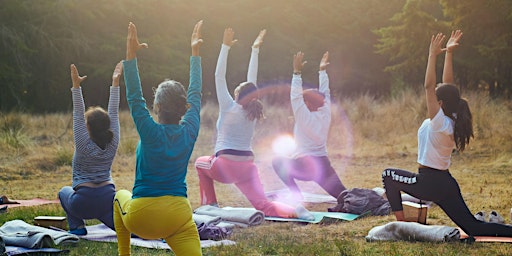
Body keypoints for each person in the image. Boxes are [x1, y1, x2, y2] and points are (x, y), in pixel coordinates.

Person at [382, 30, 512, 236]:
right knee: (473, 227)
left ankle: (404, 227)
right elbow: (448, 85)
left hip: (428, 182)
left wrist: (432, 55)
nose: (432, 97)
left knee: (388, 175)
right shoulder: (452, 118)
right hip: (445, 183)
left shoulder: (440, 122)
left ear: (440, 102)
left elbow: (428, 86)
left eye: (436, 97)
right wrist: (449, 54)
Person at [195, 28, 314, 220]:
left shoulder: (229, 106)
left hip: (224, 165)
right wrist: (255, 50)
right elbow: (252, 80)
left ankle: (210, 205)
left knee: (200, 164)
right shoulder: (252, 111)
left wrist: (225, 46)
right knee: (263, 205)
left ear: (236, 94)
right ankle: (297, 211)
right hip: (247, 167)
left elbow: (219, 75)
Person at [113, 21, 203, 256]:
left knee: (118, 197)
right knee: (188, 230)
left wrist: (130, 56)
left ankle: (124, 254)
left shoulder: (149, 131)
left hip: (142, 218)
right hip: (178, 217)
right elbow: (196, 94)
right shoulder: (190, 129)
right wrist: (195, 54)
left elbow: (134, 97)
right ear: (184, 107)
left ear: (158, 106)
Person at [272, 51, 347, 203]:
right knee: (345, 196)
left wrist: (297, 72)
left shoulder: (303, 117)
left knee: (277, 161)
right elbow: (325, 92)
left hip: (304, 166)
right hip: (323, 166)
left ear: (307, 104)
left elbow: (295, 97)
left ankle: (295, 194)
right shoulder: (325, 113)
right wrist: (322, 71)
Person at [58, 61, 122, 235]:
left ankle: (77, 227)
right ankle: (149, 231)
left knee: (63, 192)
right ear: (107, 125)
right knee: (127, 229)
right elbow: (114, 113)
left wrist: (76, 86)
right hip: (107, 199)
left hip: (83, 203)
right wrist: (115, 83)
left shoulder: (83, 143)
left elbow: (78, 113)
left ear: (88, 127)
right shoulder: (113, 141)